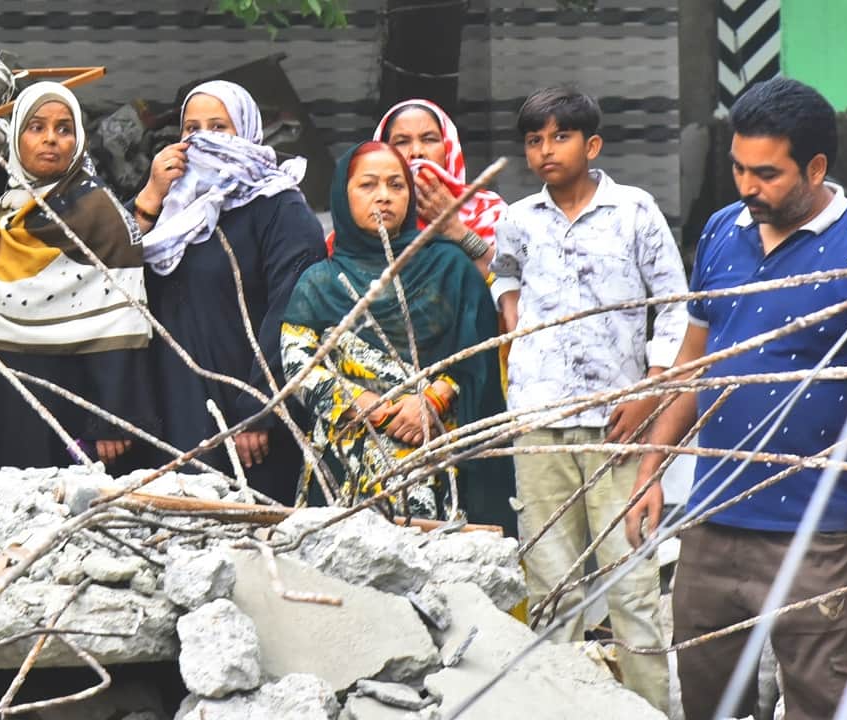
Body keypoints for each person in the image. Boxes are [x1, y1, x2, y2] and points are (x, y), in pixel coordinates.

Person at [624, 77, 847, 720]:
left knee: (821, 700)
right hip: (713, 517)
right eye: (737, 169)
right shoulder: (723, 232)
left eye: (766, 173)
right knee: (705, 697)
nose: (747, 187)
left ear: (815, 167)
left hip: (818, 535)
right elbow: (695, 364)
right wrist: (652, 468)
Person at [491, 87, 685, 712]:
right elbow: (505, 270)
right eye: (534, 140)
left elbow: (673, 304)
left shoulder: (634, 211)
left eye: (560, 137)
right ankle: (560, 707)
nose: (546, 151)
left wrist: (651, 387)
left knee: (631, 582)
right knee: (551, 583)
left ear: (592, 145)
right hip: (539, 421)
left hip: (615, 425)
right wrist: (512, 310)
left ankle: (650, 708)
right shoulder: (519, 218)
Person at [0, 82, 157, 469]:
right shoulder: (1, 215)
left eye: (64, 129)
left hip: (60, 397)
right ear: (17, 138)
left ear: (78, 140)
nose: (51, 140)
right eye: (36, 128)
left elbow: (121, 322)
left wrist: (111, 419)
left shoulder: (101, 216)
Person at [281, 141, 507, 520]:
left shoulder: (450, 267)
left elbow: (479, 349)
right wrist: (375, 410)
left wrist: (432, 400)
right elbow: (298, 366)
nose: (383, 197)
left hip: (435, 454)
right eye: (368, 185)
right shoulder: (320, 282)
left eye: (396, 185)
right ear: (343, 194)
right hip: (345, 461)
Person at [131, 80, 326, 503]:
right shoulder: (172, 211)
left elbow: (295, 311)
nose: (202, 139)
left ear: (247, 132)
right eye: (191, 128)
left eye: (219, 127)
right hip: (174, 400)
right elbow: (116, 279)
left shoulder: (279, 207)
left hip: (248, 420)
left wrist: (260, 409)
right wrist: (149, 195)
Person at [372, 99, 503, 273]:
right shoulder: (368, 213)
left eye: (429, 139)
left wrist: (454, 228)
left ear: (448, 148)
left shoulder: (486, 209)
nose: (417, 151)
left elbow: (512, 281)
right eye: (402, 142)